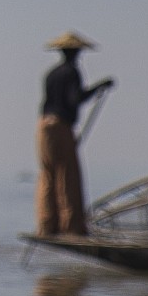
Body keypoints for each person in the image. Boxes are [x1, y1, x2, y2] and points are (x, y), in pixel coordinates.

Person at [36, 32, 111, 238]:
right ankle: (71, 228)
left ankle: (46, 226)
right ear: (75, 52)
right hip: (60, 125)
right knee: (67, 174)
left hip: (43, 126)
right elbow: (74, 99)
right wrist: (100, 87)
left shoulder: (51, 73)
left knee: (48, 174)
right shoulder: (72, 72)